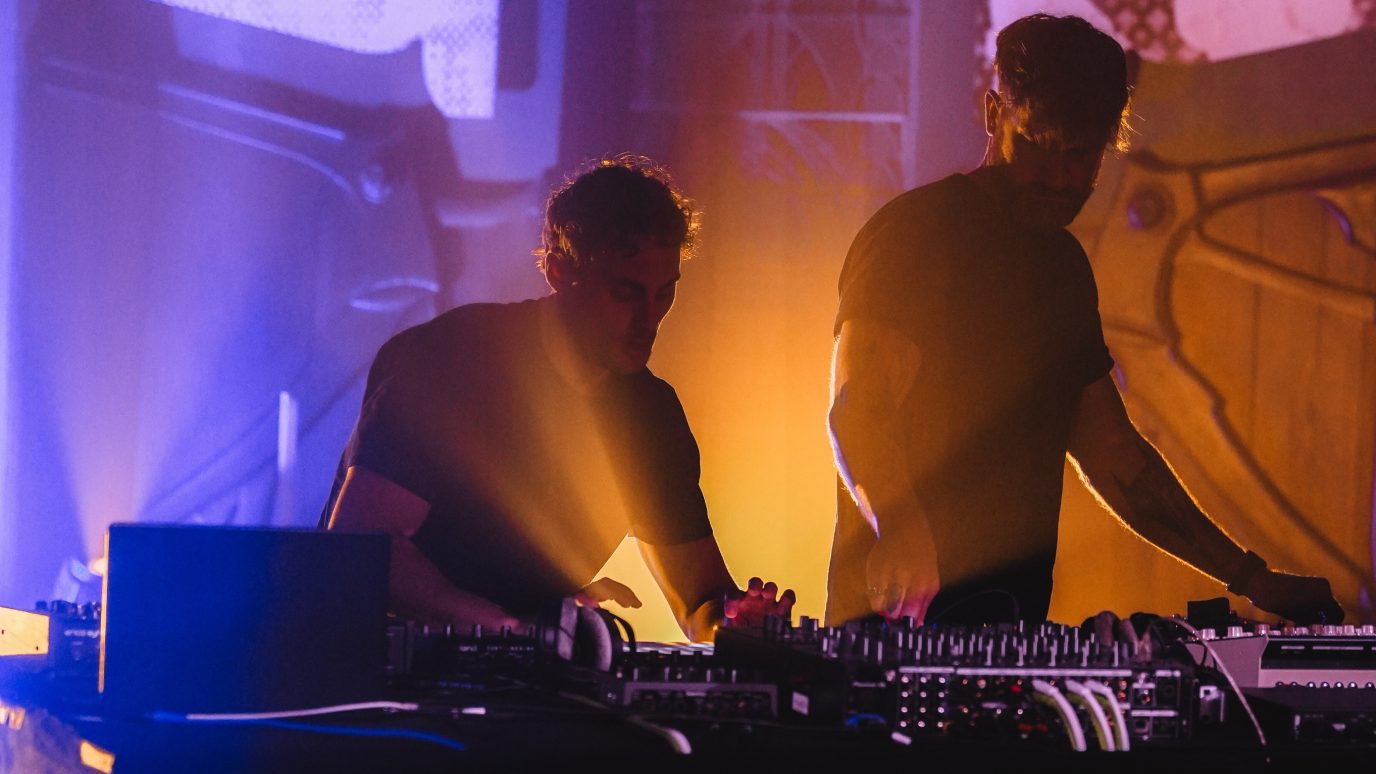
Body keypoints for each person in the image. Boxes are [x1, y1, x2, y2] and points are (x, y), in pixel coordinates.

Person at [826, 13, 1342, 627]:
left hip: (1008, 632)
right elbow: (857, 408)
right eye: (1038, 145)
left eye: (1081, 154)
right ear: (993, 114)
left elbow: (1116, 459)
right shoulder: (914, 234)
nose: (1060, 176)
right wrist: (901, 525)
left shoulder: (1063, 268)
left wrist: (1252, 579)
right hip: (888, 633)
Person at [326, 155, 793, 641]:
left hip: (522, 667)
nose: (649, 318)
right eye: (626, 292)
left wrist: (736, 624)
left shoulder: (651, 419)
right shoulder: (451, 362)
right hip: (372, 665)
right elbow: (364, 546)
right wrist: (510, 630)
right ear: (559, 271)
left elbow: (699, 602)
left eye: (664, 293)